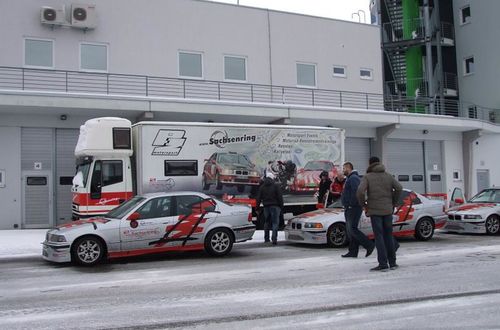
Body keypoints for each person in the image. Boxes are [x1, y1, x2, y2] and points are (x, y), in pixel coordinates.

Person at [356, 156, 402, 272]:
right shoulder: (388, 176)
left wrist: (364, 204)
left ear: (369, 164)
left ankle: (383, 264)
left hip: (375, 211)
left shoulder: (368, 177)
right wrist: (393, 202)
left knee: (379, 237)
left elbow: (360, 191)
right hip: (387, 210)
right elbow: (399, 188)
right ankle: (393, 262)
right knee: (388, 235)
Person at [340, 162, 375, 258]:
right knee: (350, 230)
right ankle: (353, 251)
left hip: (353, 208)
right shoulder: (349, 178)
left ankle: (369, 245)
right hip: (349, 208)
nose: (343, 171)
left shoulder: (353, 178)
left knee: (352, 229)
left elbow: (357, 192)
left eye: (344, 168)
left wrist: (351, 204)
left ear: (349, 168)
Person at [256, 172, 284, 245]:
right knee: (275, 223)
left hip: (266, 207)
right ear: (272, 178)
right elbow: (280, 197)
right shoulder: (276, 186)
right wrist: (281, 207)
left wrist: (257, 208)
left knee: (267, 222)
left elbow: (258, 198)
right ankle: (274, 239)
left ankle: (266, 239)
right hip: (275, 207)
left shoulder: (262, 187)